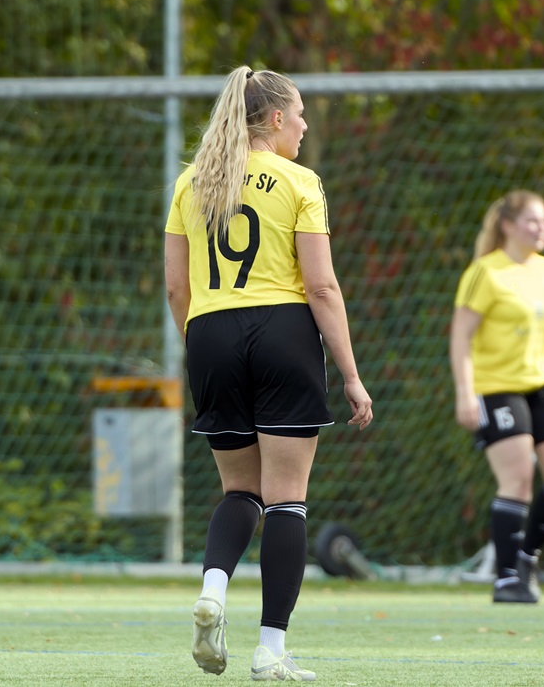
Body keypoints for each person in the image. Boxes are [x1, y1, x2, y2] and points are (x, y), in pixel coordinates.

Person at [165, 66, 373, 681]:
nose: (305, 126)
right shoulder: (300, 181)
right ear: (276, 118)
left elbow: (176, 288)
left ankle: (212, 590)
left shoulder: (192, 181)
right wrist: (352, 375)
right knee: (287, 500)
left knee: (240, 492)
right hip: (282, 331)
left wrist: (204, 347)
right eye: (300, 114)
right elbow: (322, 287)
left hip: (210, 332)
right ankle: (270, 652)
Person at [449, 190, 544, 604]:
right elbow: (461, 335)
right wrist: (465, 393)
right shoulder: (485, 272)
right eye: (532, 220)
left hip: (543, 385)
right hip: (497, 387)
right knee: (518, 478)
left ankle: (527, 556)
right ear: (508, 226)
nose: (541, 228)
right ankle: (507, 579)